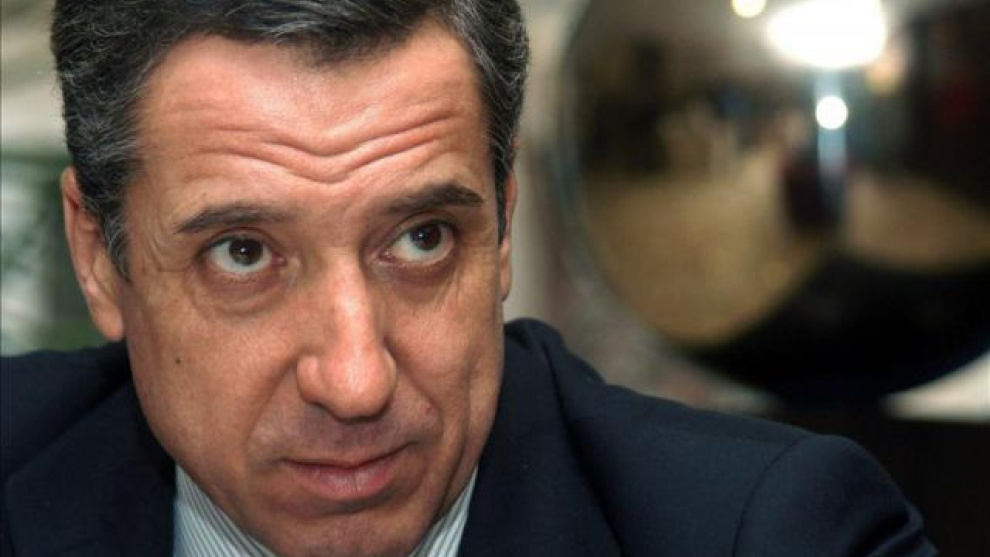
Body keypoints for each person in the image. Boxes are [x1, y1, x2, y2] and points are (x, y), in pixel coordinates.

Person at [2, 1, 936, 556]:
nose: (356, 380)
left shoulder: (777, 535)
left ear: (503, 227)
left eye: (421, 239)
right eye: (243, 253)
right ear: (99, 257)